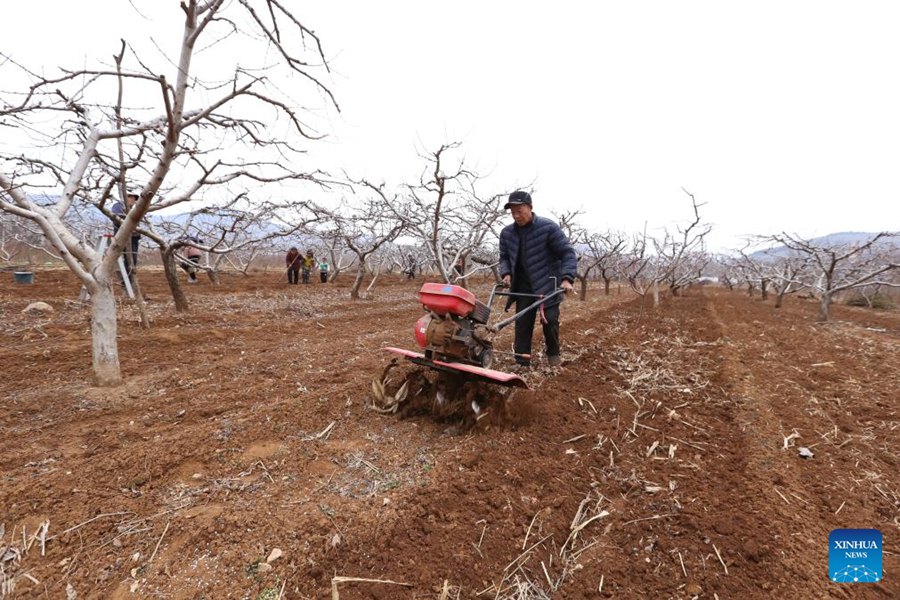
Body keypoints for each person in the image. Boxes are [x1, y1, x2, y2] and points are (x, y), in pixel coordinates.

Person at [498, 191, 576, 369]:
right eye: (513, 212)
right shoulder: (507, 233)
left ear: (530, 208)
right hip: (523, 285)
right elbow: (504, 257)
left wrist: (567, 278)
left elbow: (567, 253)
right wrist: (506, 273)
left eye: (520, 210)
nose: (516, 215)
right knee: (522, 323)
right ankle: (521, 361)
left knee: (550, 320)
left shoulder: (548, 228)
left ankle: (553, 356)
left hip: (547, 284)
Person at [110, 190, 142, 278]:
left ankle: (128, 280)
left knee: (132, 260)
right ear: (125, 197)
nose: (133, 200)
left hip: (134, 238)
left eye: (134, 198)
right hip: (123, 236)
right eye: (131, 197)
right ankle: (126, 280)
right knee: (127, 260)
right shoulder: (118, 206)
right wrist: (127, 219)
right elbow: (115, 217)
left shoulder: (134, 209)